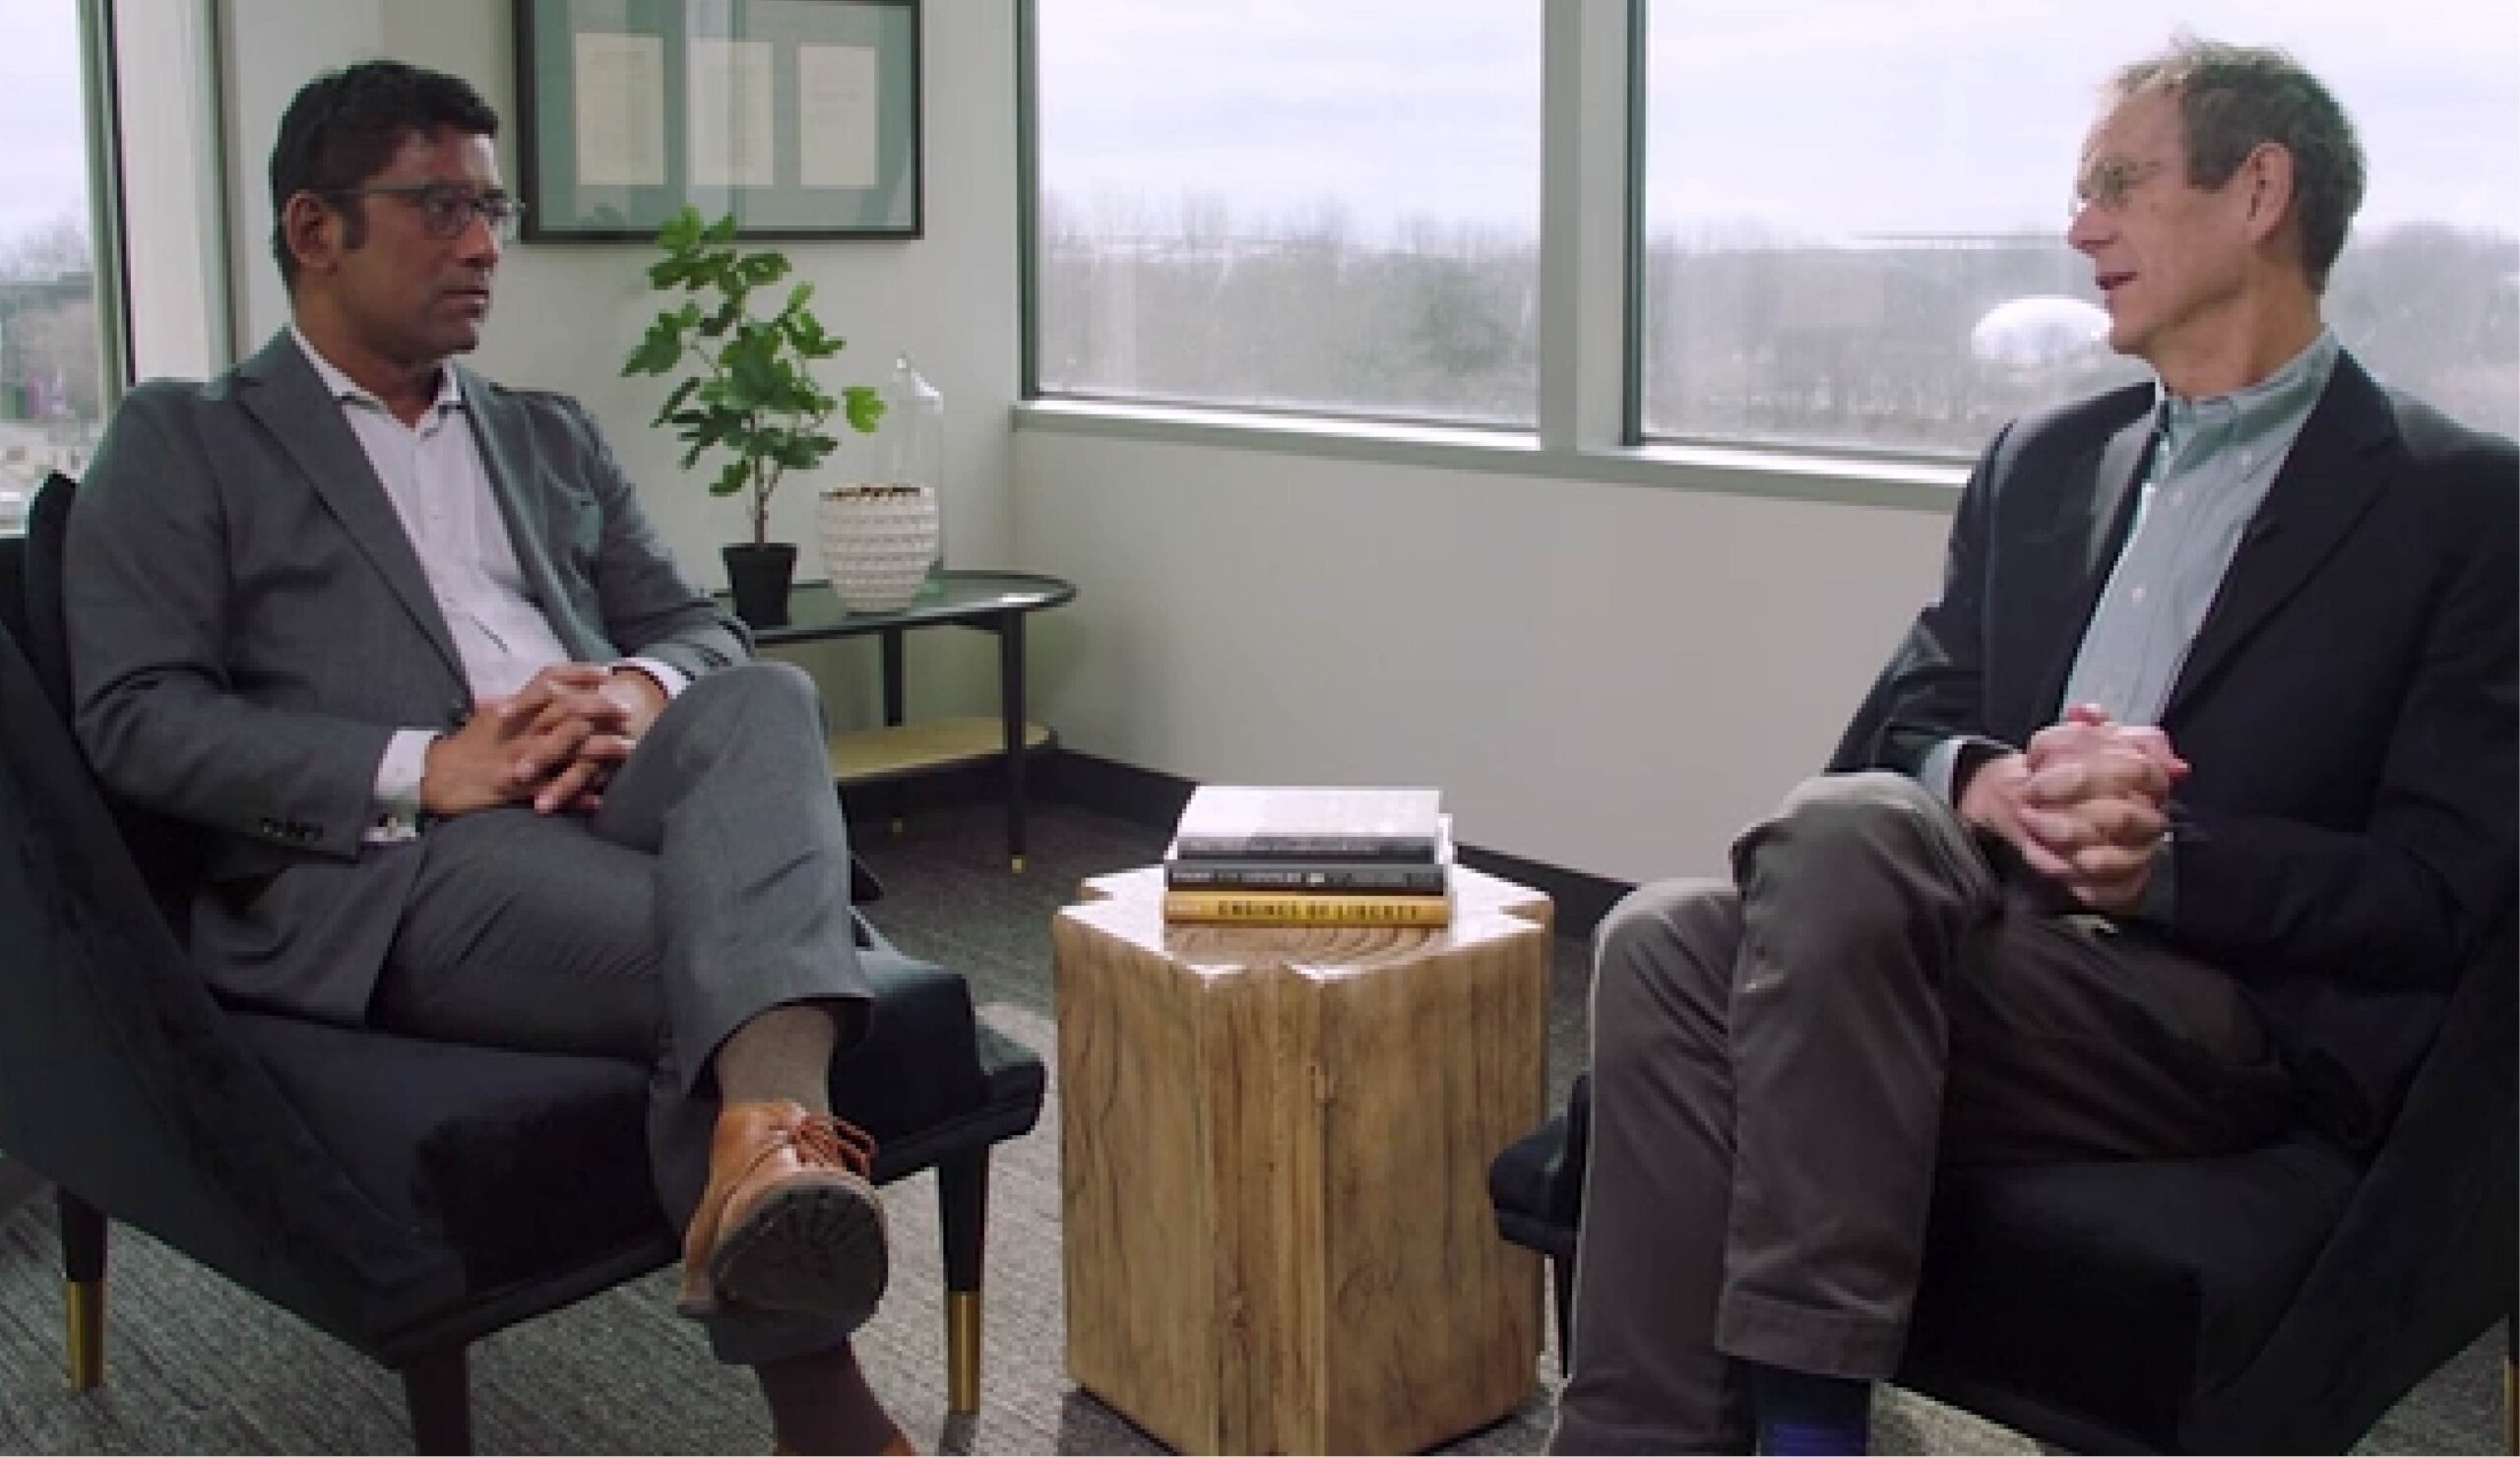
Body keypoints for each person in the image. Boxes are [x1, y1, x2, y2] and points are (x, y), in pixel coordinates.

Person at [1550, 35, 2515, 1456]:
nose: (2079, 228)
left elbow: (2442, 898)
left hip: (2211, 1016)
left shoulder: (2462, 512)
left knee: (1790, 880)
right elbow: (1901, 728)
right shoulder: (2045, 462)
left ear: (2260, 193)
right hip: (1970, 941)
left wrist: (2165, 867)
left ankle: (1811, 1432)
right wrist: (1991, 783)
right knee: (1666, 937)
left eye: (2119, 183)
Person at [65, 60, 911, 1455]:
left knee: (769, 704)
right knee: (732, 954)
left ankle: (765, 1150)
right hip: (411, 861)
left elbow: (699, 626)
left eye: (493, 208)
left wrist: (634, 694)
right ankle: (816, 1396)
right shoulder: (187, 441)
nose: (482, 245)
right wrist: (424, 763)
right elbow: (137, 715)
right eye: (440, 206)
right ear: (314, 228)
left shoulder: (544, 431)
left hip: (619, 790)